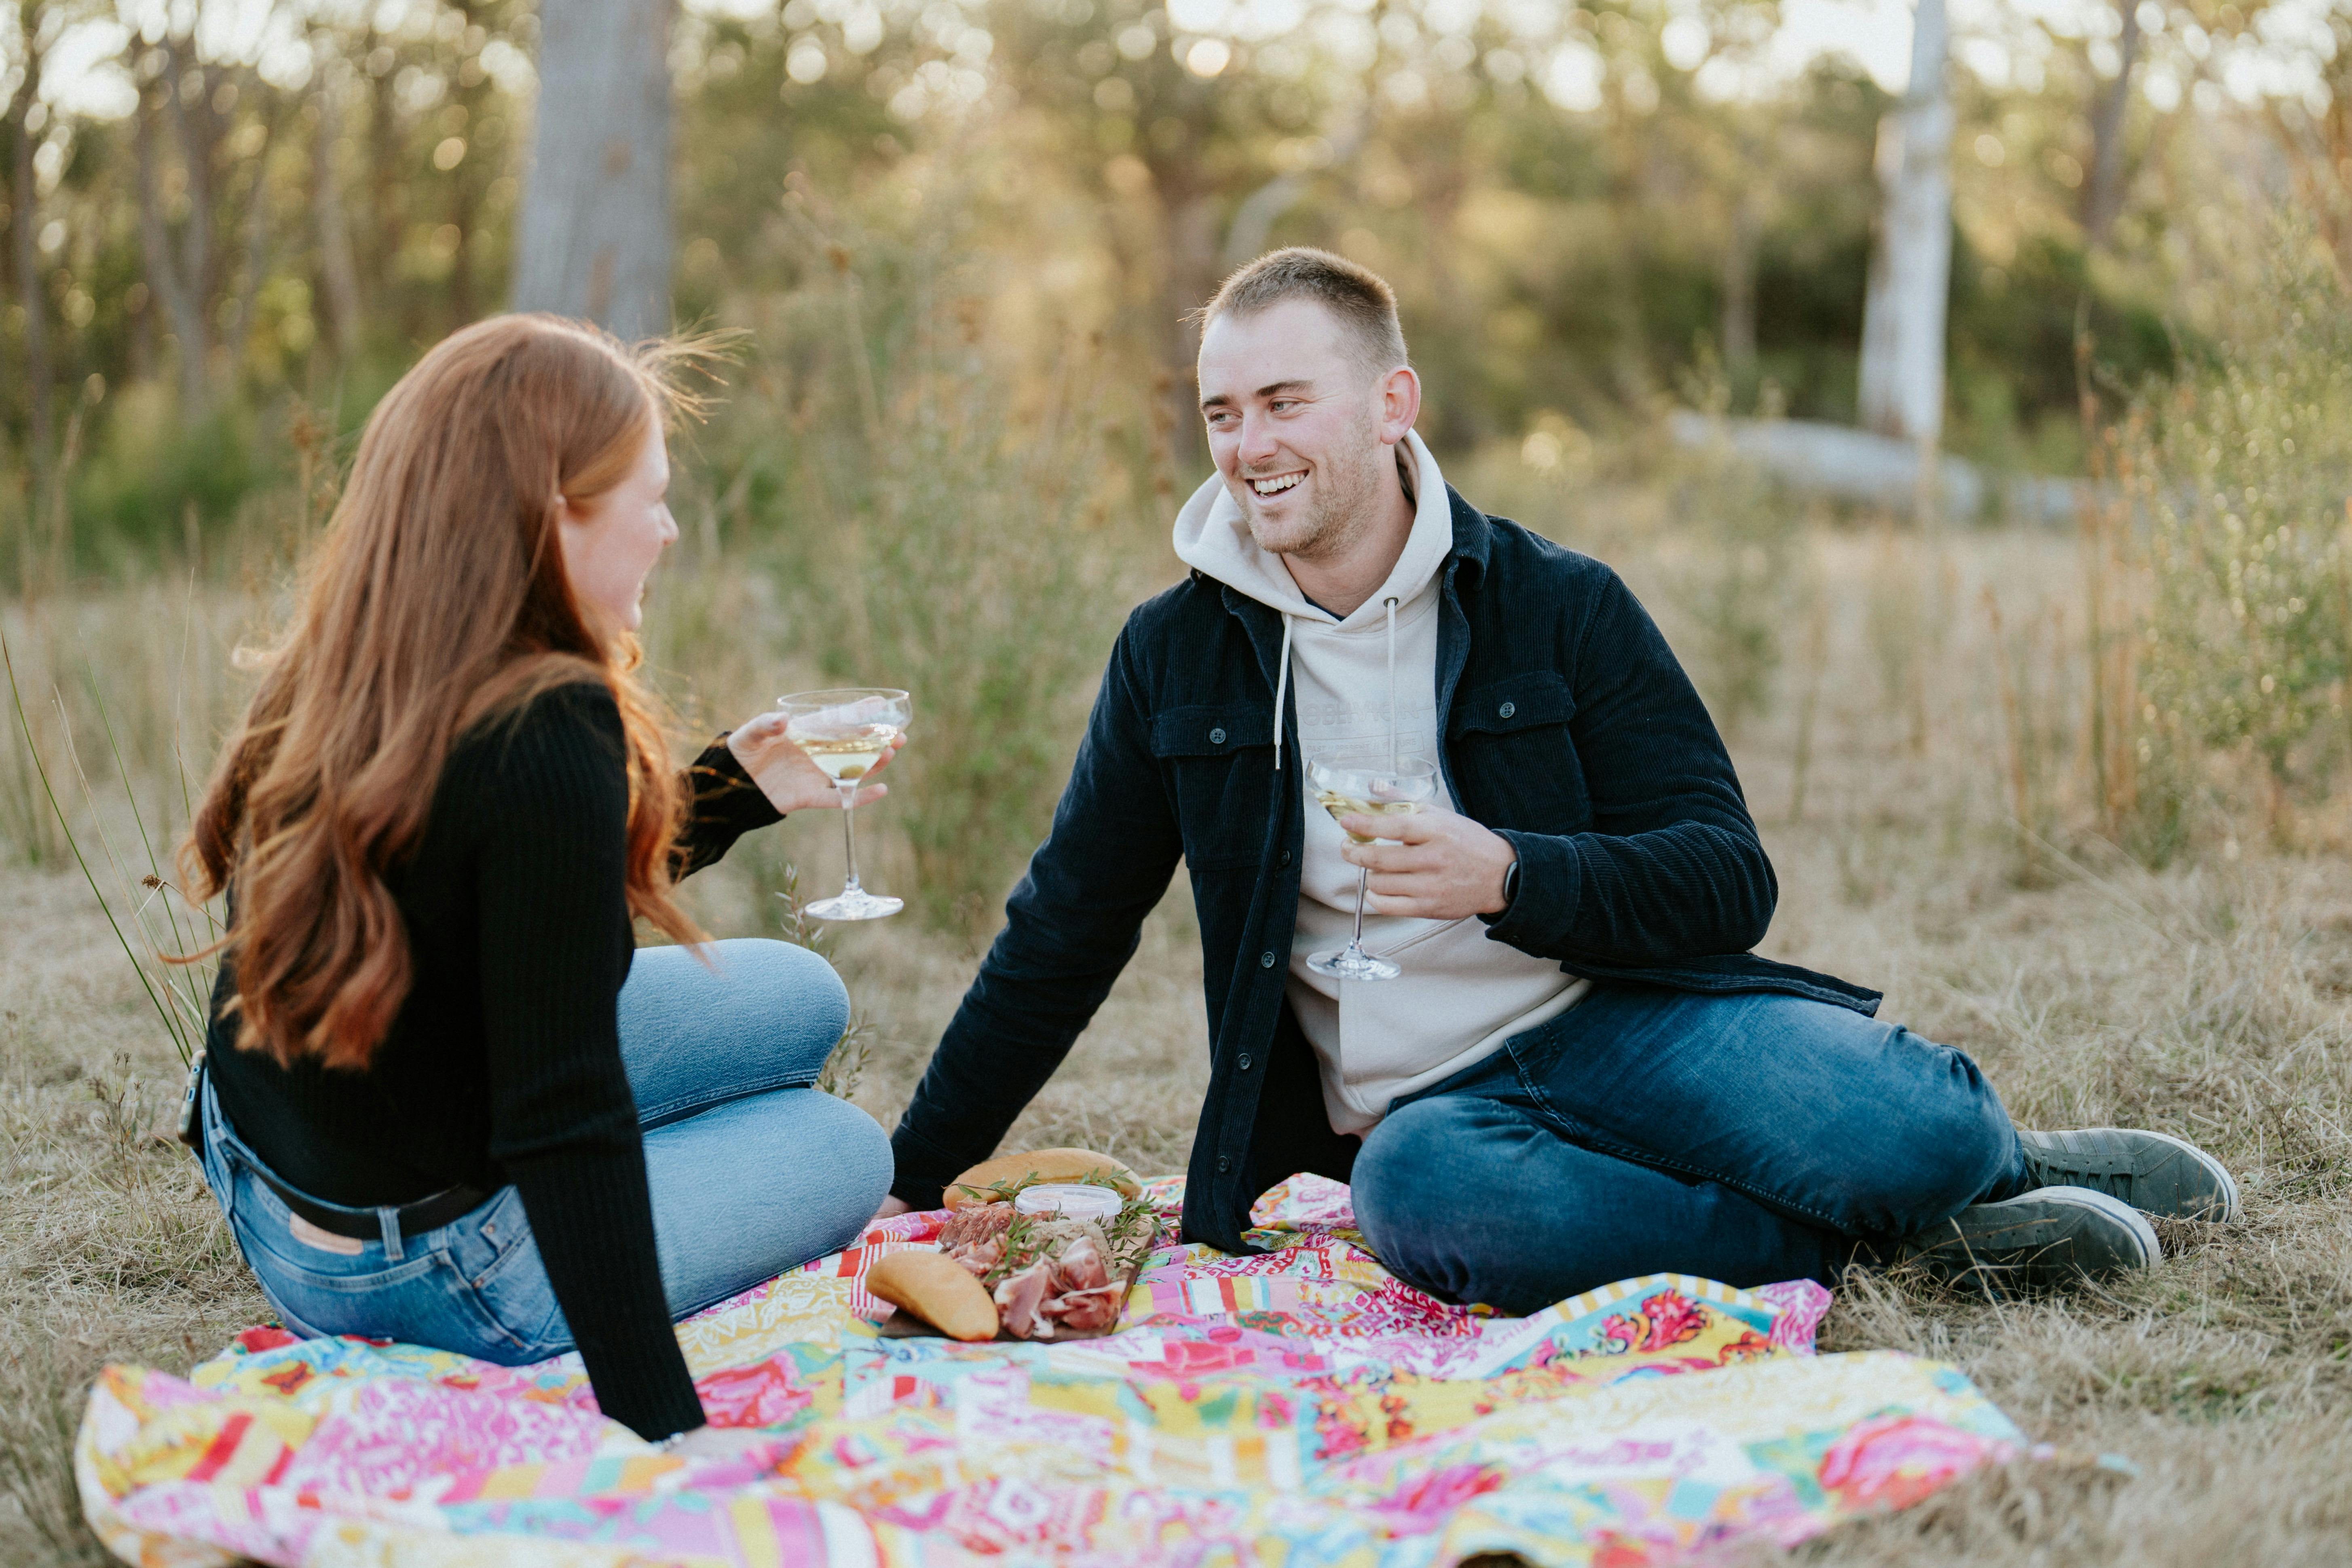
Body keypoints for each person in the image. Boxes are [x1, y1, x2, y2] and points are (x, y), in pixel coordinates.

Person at [875, 248, 2238, 1306]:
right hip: (1424, 1118)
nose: (1248, 446)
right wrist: (912, 1184)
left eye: (1285, 401)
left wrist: (1510, 876)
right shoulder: (1175, 654)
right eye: (1222, 412)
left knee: (1918, 1130)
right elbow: (1064, 926)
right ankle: (1893, 1248)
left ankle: (1993, 1174)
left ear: (1389, 403)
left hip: (1621, 1015)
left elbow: (1725, 876)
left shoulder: (1556, 603)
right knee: (1427, 1217)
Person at [178, 315, 895, 1453]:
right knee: (844, 1150)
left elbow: (500, 898)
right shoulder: (550, 725)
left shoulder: (364, 651)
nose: (666, 532)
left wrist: (729, 788)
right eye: (648, 499)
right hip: (426, 1267)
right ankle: (559, 1270)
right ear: (551, 510)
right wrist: (663, 1422)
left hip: (278, 1179)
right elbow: (564, 1117)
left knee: (800, 998)